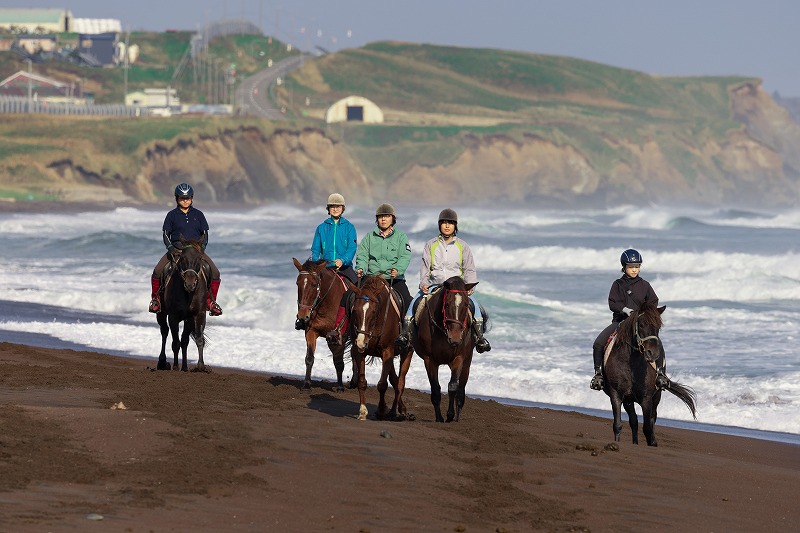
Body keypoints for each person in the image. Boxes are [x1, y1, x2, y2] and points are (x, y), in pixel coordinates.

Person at [396, 208, 491, 354]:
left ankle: (479, 338)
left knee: (475, 308)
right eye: (444, 223)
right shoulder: (431, 244)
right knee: (413, 306)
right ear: (439, 225)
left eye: (450, 223)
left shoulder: (462, 246)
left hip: (457, 288)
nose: (447, 226)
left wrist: (470, 285)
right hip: (434, 285)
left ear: (455, 226)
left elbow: (469, 268)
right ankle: (405, 335)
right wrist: (424, 283)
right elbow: (425, 267)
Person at [327, 203, 412, 344]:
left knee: (407, 301)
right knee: (348, 295)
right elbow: (362, 255)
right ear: (377, 219)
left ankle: (405, 335)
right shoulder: (369, 237)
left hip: (393, 278)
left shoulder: (401, 237)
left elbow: (405, 257)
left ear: (393, 219)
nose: (383, 219)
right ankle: (339, 330)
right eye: (380, 217)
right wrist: (360, 267)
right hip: (371, 278)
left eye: (386, 216)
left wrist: (398, 270)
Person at [590, 248, 668, 391]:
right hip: (620, 322)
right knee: (598, 343)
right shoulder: (618, 284)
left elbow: (653, 301)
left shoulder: (645, 285)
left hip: (640, 324)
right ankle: (598, 374)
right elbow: (612, 302)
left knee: (656, 343)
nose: (634, 270)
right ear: (624, 267)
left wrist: (645, 313)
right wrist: (624, 310)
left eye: (637, 267)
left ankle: (661, 374)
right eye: (631, 267)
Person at [149, 183, 222, 316]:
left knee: (215, 273)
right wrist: (170, 248)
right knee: (157, 271)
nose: (185, 201)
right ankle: (156, 300)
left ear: (192, 198)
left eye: (187, 198)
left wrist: (201, 249)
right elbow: (165, 233)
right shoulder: (171, 215)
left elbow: (205, 234)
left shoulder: (199, 214)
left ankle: (211, 302)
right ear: (177, 199)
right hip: (177, 249)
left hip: (195, 251)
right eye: (182, 198)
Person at [300, 193, 358, 331]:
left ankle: (356, 322)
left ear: (342, 208)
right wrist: (316, 265)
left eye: (338, 206)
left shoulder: (349, 227)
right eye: (332, 206)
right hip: (324, 267)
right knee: (306, 288)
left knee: (358, 288)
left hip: (343, 267)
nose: (335, 209)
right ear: (328, 209)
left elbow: (352, 248)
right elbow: (315, 249)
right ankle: (302, 320)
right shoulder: (321, 227)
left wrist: (343, 260)